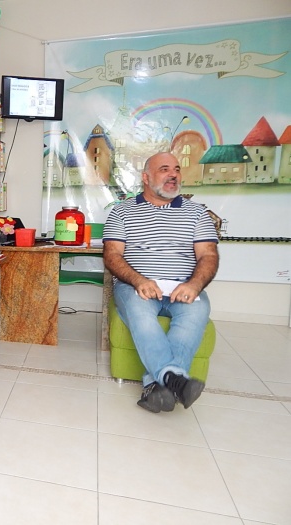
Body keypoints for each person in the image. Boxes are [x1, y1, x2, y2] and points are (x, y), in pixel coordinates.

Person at [103, 152, 219, 413]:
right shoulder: (122, 212)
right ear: (145, 177)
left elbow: (209, 255)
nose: (173, 174)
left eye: (176, 169)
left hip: (183, 286)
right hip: (136, 286)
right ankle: (174, 379)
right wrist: (138, 280)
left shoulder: (197, 213)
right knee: (141, 314)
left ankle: (157, 386)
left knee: (197, 311)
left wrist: (194, 285)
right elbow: (112, 255)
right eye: (164, 169)